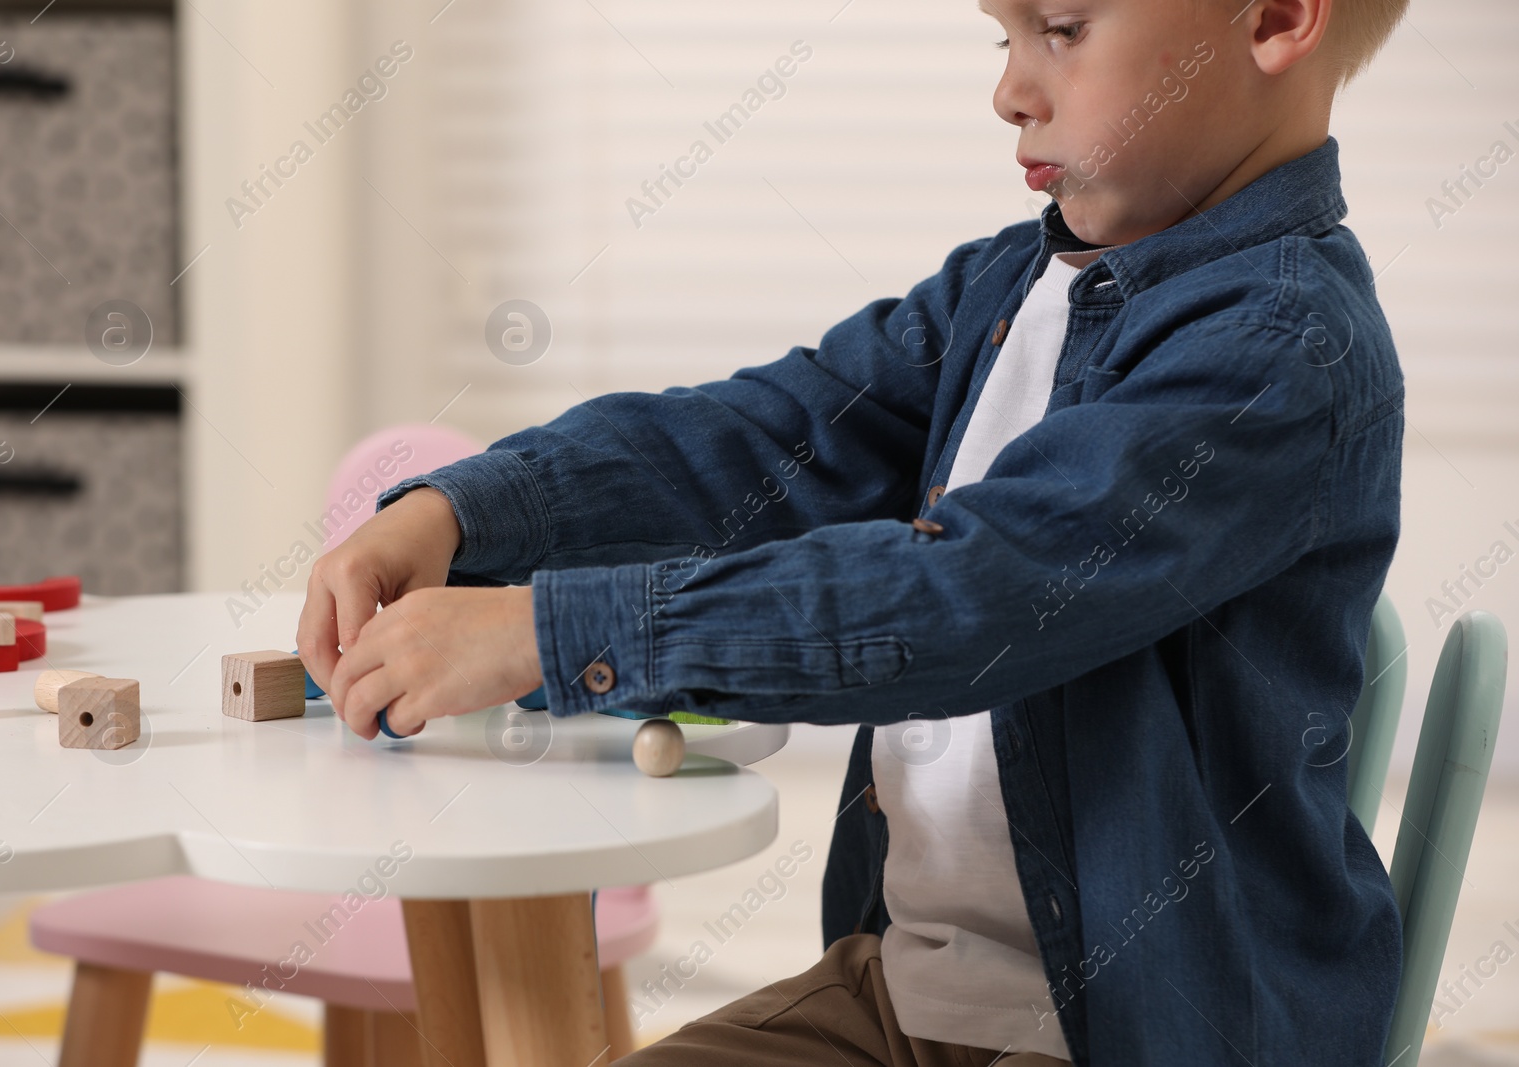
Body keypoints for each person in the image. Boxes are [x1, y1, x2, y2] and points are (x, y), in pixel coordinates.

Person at [297, 0, 1410, 1061]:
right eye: (1003, 35)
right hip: (905, 995)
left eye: (1062, 30)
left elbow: (973, 594)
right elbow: (765, 437)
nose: (1009, 90)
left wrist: (555, 632)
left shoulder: (1275, 351)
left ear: (1271, 20)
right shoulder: (1011, 288)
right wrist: (470, 506)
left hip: (1145, 1030)